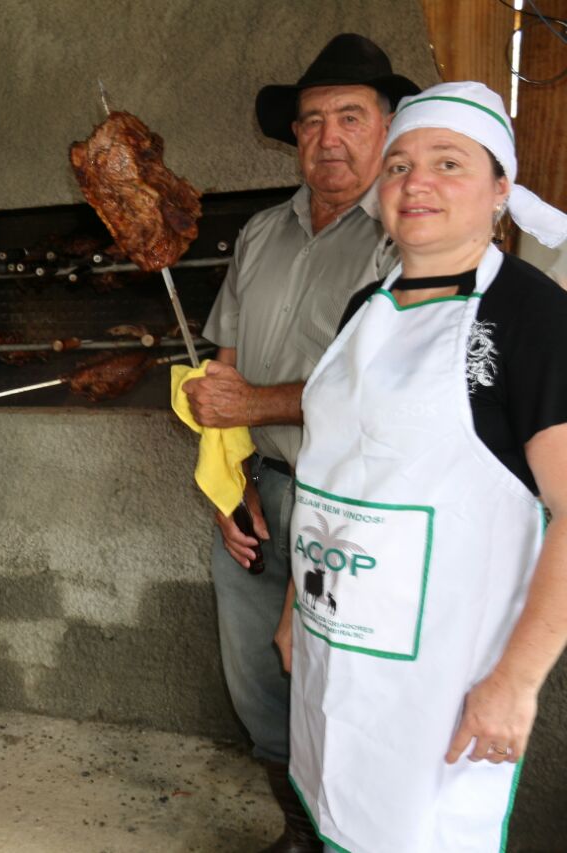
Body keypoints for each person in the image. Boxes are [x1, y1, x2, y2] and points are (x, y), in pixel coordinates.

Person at [281, 81, 567, 853]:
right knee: (335, 810)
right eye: (401, 165)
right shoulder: (361, 311)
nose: (418, 184)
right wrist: (290, 610)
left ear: (501, 188)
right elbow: (330, 476)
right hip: (334, 644)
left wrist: (516, 681)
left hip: (442, 676)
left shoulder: (534, 318)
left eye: (449, 163)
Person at [183, 34, 418, 852]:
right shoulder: (259, 235)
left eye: (350, 116)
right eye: (312, 120)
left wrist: (256, 400)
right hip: (261, 493)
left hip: (353, 505)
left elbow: (389, 394)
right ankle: (298, 832)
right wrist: (230, 481)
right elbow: (226, 375)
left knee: (342, 688)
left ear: (388, 127)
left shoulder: (405, 240)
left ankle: (347, 834)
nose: (328, 137)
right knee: (258, 684)